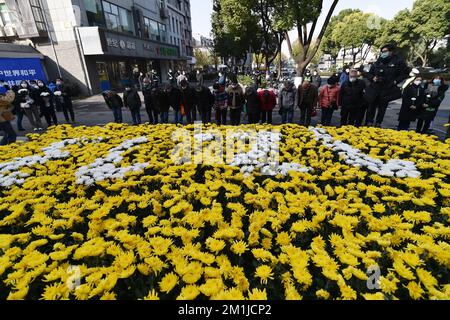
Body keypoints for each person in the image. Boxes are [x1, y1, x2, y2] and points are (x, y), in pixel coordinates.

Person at [365, 44, 409, 127]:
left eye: (385, 51)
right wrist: (373, 78)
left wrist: (396, 81)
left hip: (387, 88)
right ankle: (369, 122)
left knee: (382, 107)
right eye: (382, 52)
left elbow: (404, 73)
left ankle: (378, 123)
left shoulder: (398, 61)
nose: (383, 53)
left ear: (391, 52)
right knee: (371, 106)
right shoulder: (378, 61)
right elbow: (369, 74)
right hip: (375, 87)